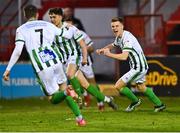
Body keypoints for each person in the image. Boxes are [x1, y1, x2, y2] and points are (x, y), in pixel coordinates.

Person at [2, 5, 86, 126]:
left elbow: (18, 51)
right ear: (37, 14)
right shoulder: (47, 24)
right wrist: (71, 27)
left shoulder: (21, 29)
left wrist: (8, 69)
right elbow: (66, 35)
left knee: (53, 98)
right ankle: (80, 118)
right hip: (55, 60)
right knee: (63, 87)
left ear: (25, 16)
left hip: (42, 66)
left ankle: (68, 93)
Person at [48, 7, 118, 111]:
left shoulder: (71, 28)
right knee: (86, 85)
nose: (52, 19)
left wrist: (85, 58)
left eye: (54, 17)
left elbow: (83, 45)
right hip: (64, 61)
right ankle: (108, 100)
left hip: (75, 56)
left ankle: (79, 99)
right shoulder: (50, 31)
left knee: (70, 74)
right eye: (50, 17)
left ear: (60, 17)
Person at [96, 17, 166, 112]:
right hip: (138, 65)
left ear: (122, 26)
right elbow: (113, 45)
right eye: (113, 26)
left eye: (117, 26)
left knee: (118, 86)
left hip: (138, 67)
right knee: (141, 87)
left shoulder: (127, 38)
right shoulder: (119, 37)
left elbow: (124, 57)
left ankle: (135, 101)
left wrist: (108, 54)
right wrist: (103, 49)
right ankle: (159, 105)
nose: (115, 28)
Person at [65, 17, 104, 110]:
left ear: (73, 24)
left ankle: (100, 102)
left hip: (84, 62)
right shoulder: (63, 35)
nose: (68, 25)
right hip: (72, 62)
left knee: (92, 82)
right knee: (76, 81)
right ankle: (84, 99)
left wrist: (82, 48)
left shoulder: (81, 34)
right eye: (66, 23)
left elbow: (91, 48)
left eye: (69, 23)